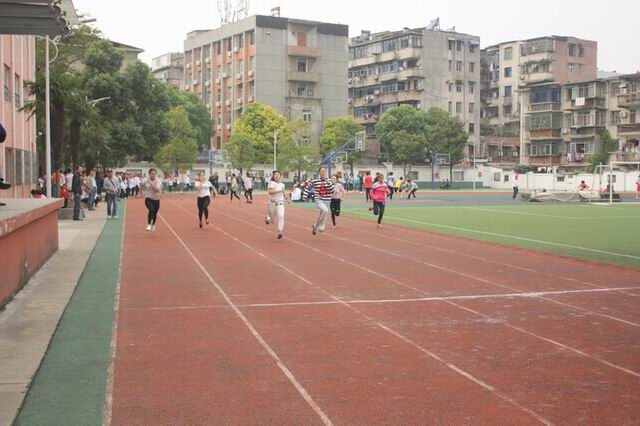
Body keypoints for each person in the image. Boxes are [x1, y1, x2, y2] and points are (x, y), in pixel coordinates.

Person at [302, 166, 335, 235]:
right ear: (319, 172)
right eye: (322, 171)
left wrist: (328, 182)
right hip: (319, 199)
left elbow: (332, 191)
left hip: (327, 200)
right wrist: (304, 196)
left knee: (322, 215)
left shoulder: (330, 181)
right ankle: (321, 225)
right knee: (325, 211)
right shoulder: (315, 181)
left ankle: (315, 226)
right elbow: (307, 188)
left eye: (324, 171)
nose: (323, 173)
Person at [265, 170, 288, 240]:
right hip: (272, 203)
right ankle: (267, 218)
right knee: (272, 221)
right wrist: (280, 190)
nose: (276, 176)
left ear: (280, 176)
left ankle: (280, 232)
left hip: (280, 203)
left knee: (281, 216)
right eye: (275, 174)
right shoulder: (271, 183)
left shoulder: (282, 184)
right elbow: (270, 191)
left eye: (278, 174)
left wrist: (286, 197)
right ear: (273, 176)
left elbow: (283, 192)